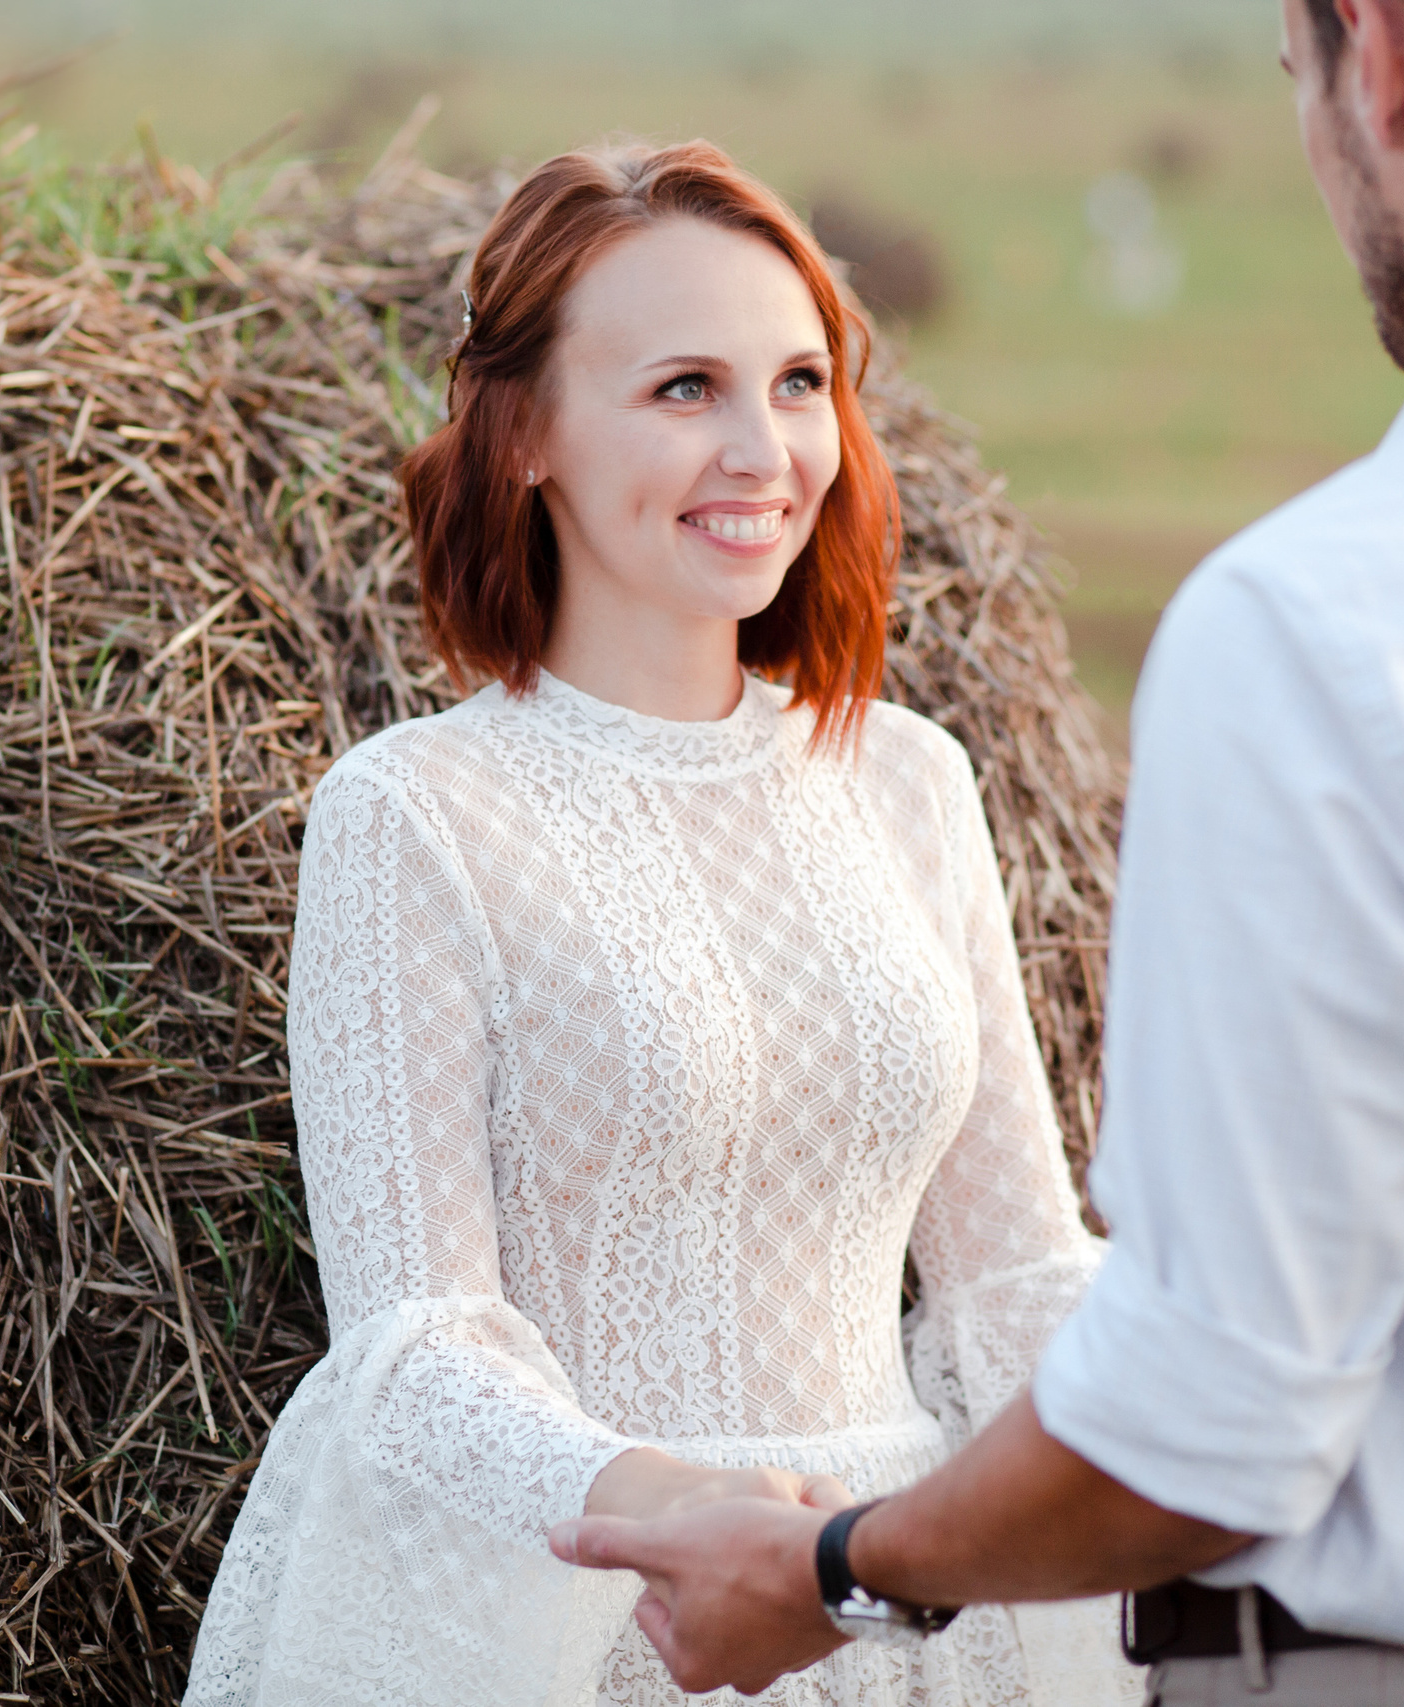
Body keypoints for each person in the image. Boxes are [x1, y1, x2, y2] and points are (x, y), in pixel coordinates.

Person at [551, 2, 1404, 1702]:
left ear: (1378, 53)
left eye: (1297, 76)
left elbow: (1212, 1415)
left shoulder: (1328, 624)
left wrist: (843, 1568)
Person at [183, 141, 1141, 1707]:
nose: (763, 451)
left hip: (896, 1608)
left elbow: (1017, 1269)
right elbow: (417, 1343)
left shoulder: (910, 780)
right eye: (685, 388)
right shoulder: (416, 813)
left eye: (799, 384)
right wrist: (672, 1509)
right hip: (607, 1613)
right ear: (526, 434)